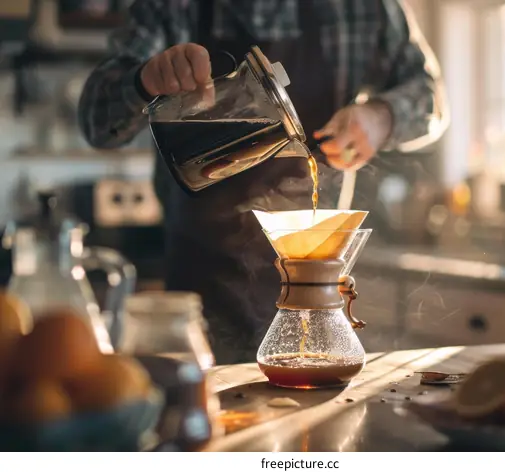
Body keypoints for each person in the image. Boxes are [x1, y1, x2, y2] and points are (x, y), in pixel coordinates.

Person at [78, 0, 449, 365]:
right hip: (200, 287)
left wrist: (380, 118)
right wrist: (145, 80)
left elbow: (431, 97)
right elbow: (97, 122)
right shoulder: (175, 7)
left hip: (318, 283)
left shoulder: (365, 8)